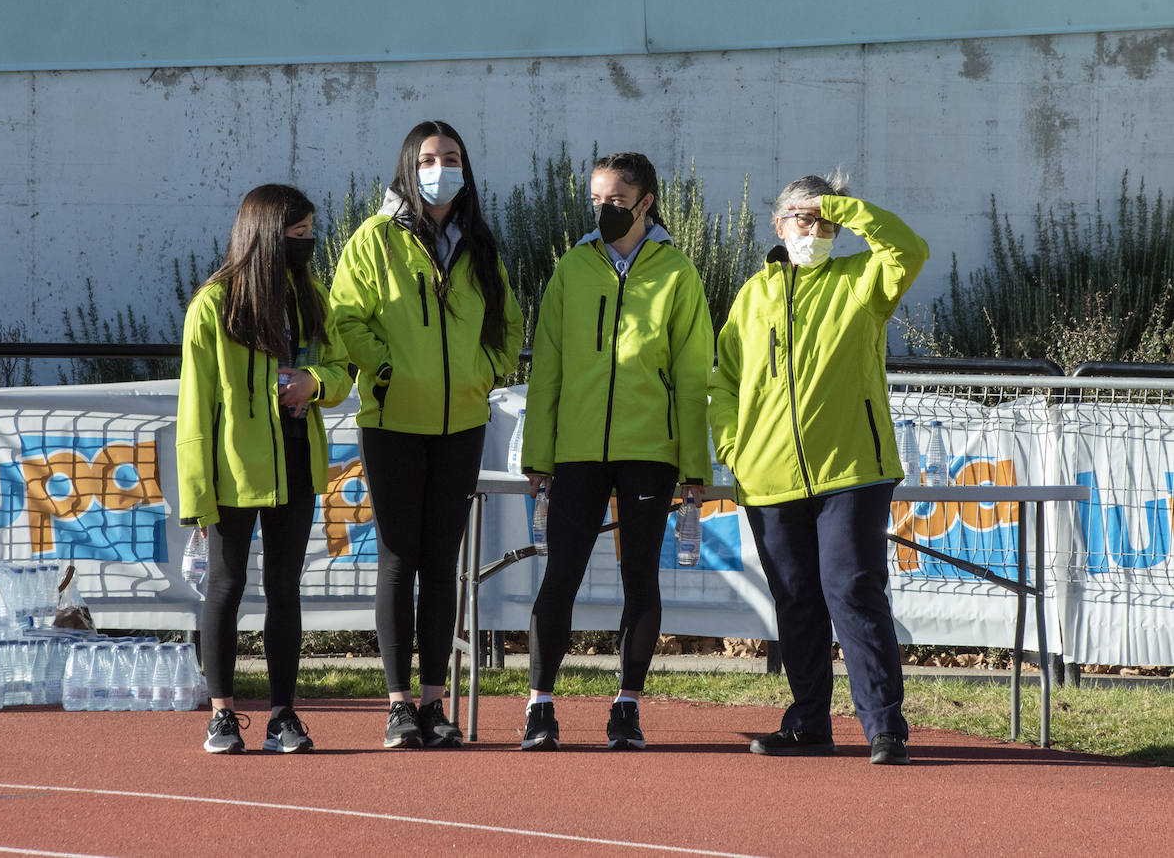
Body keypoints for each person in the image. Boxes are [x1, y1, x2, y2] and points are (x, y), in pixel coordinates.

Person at [708, 170, 929, 766]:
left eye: (825, 220)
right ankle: (809, 722)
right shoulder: (752, 296)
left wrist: (844, 206)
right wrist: (734, 446)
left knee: (853, 590)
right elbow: (723, 380)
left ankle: (884, 727)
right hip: (768, 477)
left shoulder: (861, 280)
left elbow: (909, 248)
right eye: (803, 219)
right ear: (778, 226)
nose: (816, 229)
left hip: (853, 470)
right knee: (796, 598)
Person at [329, 120, 524, 748]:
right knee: (397, 560)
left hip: (461, 423)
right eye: (431, 158)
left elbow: (509, 324)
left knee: (442, 564)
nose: (442, 168)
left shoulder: (480, 244)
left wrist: (486, 373)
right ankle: (397, 705)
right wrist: (385, 369)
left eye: (454, 157)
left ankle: (435, 703)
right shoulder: (371, 241)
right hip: (391, 424)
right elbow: (345, 320)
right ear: (409, 165)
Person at [519, 151, 714, 751]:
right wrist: (538, 455)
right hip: (576, 451)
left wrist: (694, 466)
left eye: (617, 202)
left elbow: (691, 376)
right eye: (596, 201)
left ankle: (627, 707)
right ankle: (540, 706)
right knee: (562, 576)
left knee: (640, 580)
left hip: (649, 452)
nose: (604, 211)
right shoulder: (571, 270)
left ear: (647, 202)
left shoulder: (677, 272)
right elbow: (546, 369)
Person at [176, 183, 352, 755]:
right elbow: (194, 411)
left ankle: (283, 715)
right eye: (296, 235)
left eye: (309, 233)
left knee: (285, 588)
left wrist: (315, 384)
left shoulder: (310, 295)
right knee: (225, 586)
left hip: (299, 463)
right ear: (264, 236)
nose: (308, 244)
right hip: (233, 472)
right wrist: (197, 498)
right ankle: (222, 714)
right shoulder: (213, 304)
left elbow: (340, 369)